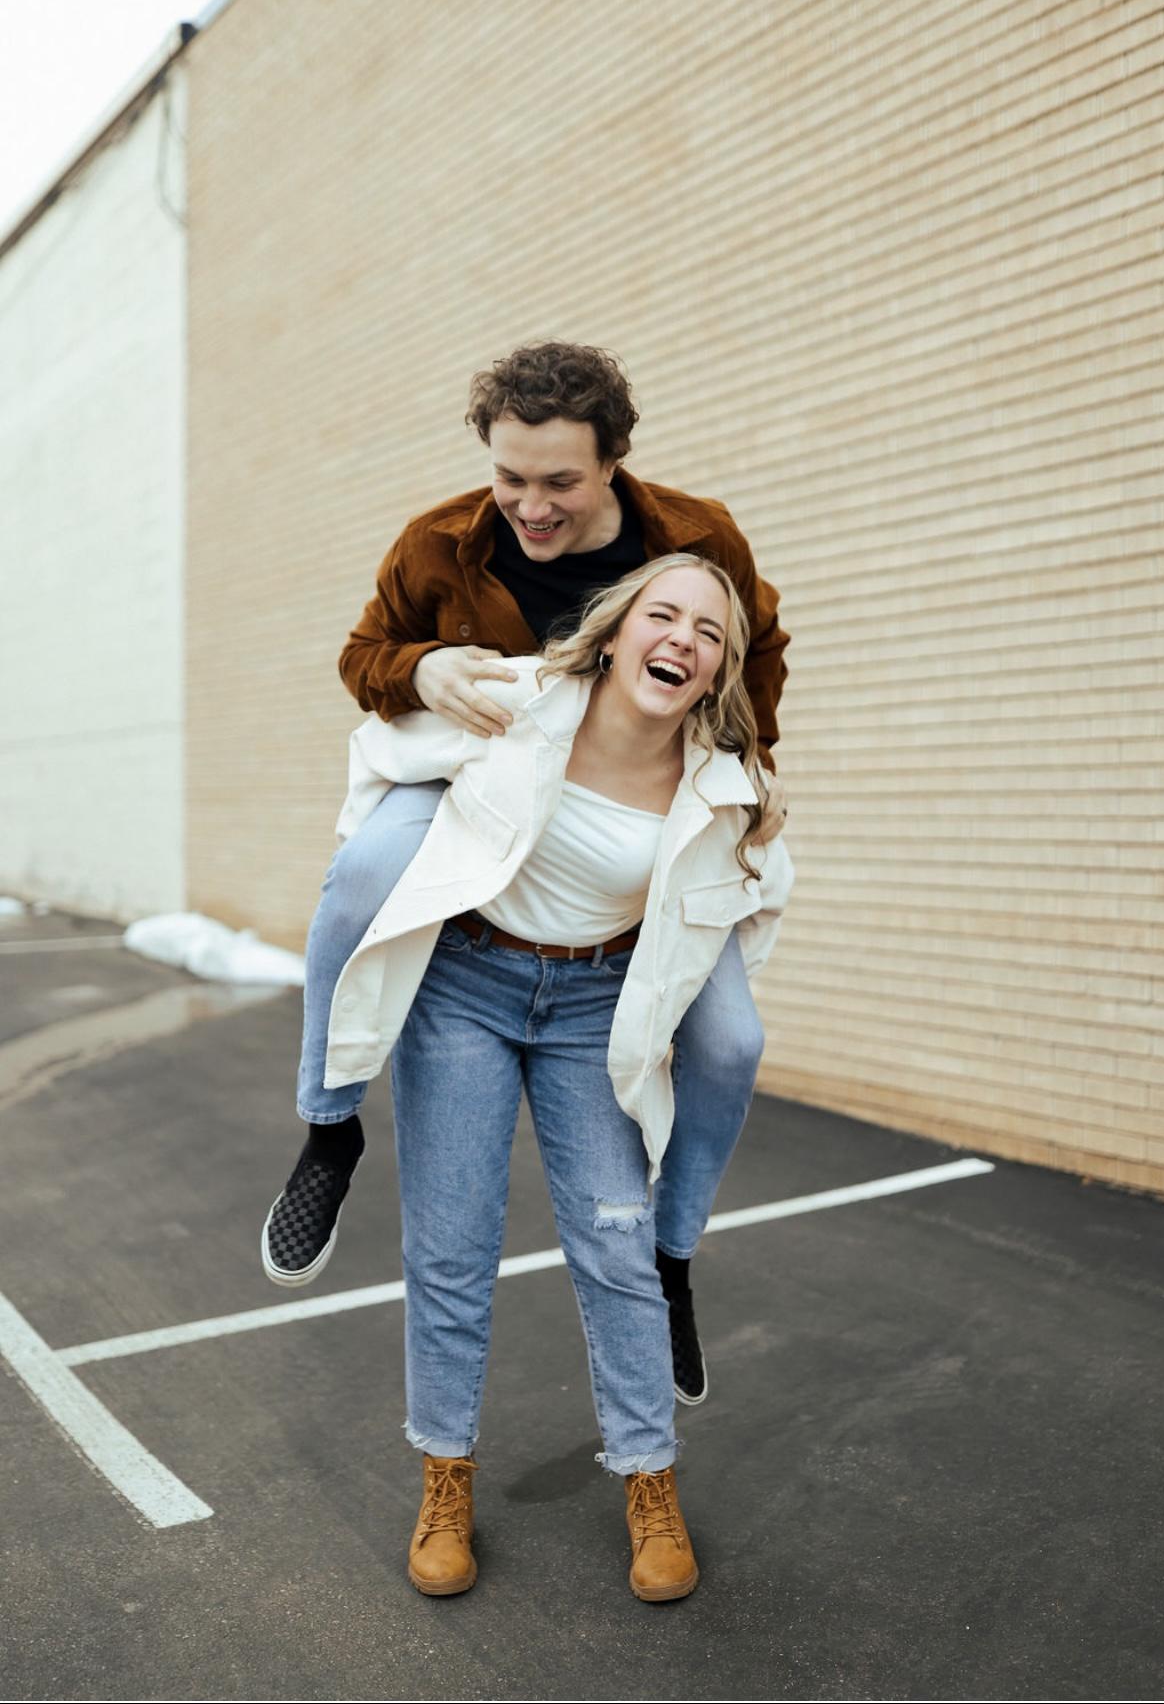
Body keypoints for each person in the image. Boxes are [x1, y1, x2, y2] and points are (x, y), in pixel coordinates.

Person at [262, 341, 790, 1406]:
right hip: (480, 783)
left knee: (732, 1041)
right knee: (366, 870)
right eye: (510, 478)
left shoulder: (696, 543)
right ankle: (327, 1127)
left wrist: (743, 770)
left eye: (559, 482)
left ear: (614, 463)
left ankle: (670, 1258)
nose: (530, 507)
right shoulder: (438, 546)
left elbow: (759, 649)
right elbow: (363, 658)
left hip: (630, 812)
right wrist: (422, 668)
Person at [309, 554, 793, 1598]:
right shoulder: (520, 701)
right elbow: (380, 751)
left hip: (592, 1011)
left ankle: (650, 1480)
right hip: (465, 986)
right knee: (451, 1245)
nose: (683, 639)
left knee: (618, 1248)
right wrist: (394, 861)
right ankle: (445, 1479)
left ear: (718, 671)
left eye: (709, 633)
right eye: (663, 615)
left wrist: (676, 995)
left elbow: (753, 909)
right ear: (615, 634)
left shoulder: (729, 787)